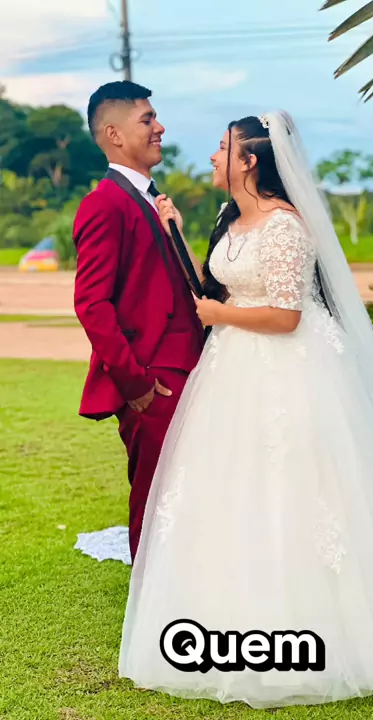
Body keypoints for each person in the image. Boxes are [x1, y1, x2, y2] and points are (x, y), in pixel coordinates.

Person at [118, 111, 373, 708]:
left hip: (289, 369)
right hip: (234, 369)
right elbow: (220, 287)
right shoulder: (231, 217)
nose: (212, 156)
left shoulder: (286, 226)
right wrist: (178, 234)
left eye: (222, 148)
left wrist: (219, 316)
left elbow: (286, 317)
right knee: (233, 488)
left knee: (298, 488)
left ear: (249, 161)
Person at [73, 81, 204, 562]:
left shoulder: (152, 200)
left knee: (191, 492)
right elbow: (91, 304)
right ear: (114, 134)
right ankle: (151, 594)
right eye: (147, 119)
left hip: (190, 369)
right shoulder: (104, 204)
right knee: (155, 499)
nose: (159, 127)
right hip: (155, 381)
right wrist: (137, 385)